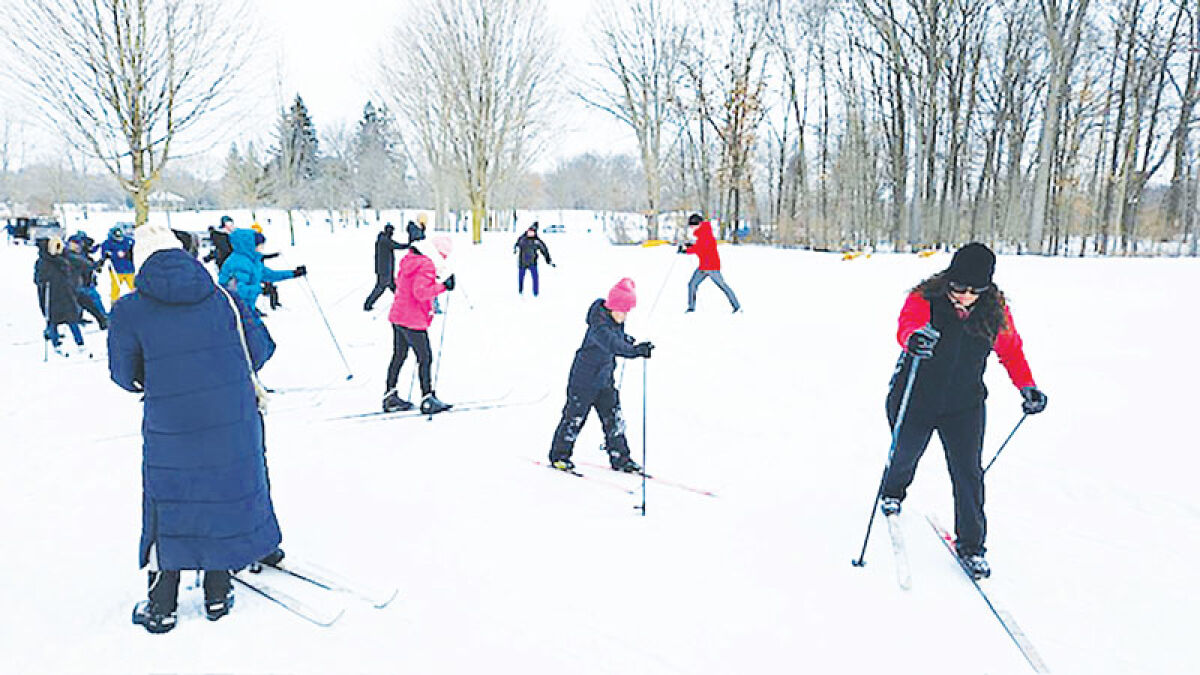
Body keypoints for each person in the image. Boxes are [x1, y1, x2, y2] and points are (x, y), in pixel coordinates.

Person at [108, 224, 283, 634]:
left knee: (170, 499)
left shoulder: (129, 309)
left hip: (172, 423)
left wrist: (160, 379)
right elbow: (261, 350)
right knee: (221, 491)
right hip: (232, 418)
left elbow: (124, 374)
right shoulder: (224, 298)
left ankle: (162, 605)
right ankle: (217, 593)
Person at [880, 243, 1048, 580]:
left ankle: (972, 546)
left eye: (975, 290)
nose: (966, 296)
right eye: (959, 288)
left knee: (968, 473)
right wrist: (914, 339)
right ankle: (892, 492)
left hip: (964, 405)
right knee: (905, 454)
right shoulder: (925, 298)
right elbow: (906, 326)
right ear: (948, 279)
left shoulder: (994, 310)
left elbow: (1011, 351)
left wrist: (1027, 386)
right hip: (916, 396)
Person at [548, 278, 653, 473]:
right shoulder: (598, 327)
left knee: (614, 419)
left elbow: (617, 339)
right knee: (574, 419)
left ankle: (620, 457)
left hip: (604, 380)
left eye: (627, 312)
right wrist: (635, 351)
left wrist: (628, 341)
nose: (625, 315)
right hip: (584, 381)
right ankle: (559, 456)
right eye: (622, 311)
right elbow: (612, 343)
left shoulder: (613, 321)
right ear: (612, 307)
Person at [382, 236, 454, 414]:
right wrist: (443, 286)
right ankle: (427, 398)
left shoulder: (410, 259)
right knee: (425, 358)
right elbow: (420, 293)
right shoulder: (426, 264)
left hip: (399, 315)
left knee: (399, 355)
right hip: (413, 319)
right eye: (443, 256)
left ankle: (390, 395)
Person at [218, 229, 306, 318]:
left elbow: (270, 275)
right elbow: (237, 290)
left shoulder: (253, 261)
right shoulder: (238, 263)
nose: (262, 248)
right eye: (260, 245)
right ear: (250, 245)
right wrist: (261, 290)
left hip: (246, 308)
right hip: (234, 311)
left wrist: (293, 273)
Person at [34, 236, 88, 357]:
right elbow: (38, 278)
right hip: (52, 295)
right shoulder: (44, 261)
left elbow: (78, 265)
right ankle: (56, 343)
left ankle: (80, 343)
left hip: (66, 293)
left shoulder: (65, 258)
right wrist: (43, 280)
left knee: (72, 319)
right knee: (53, 320)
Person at [678, 213, 741, 313]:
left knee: (723, 286)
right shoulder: (702, 232)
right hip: (703, 266)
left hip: (712, 267)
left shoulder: (705, 234)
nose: (691, 228)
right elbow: (699, 246)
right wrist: (689, 245)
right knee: (692, 284)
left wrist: (686, 250)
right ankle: (691, 308)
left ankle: (737, 307)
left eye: (692, 225)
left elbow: (699, 249)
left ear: (698, 224)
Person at [65, 234, 108, 329]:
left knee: (87, 301)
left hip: (82, 282)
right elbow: (90, 265)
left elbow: (91, 259)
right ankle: (102, 318)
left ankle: (101, 318)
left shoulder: (79, 254)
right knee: (90, 301)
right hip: (79, 284)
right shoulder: (72, 256)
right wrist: (101, 261)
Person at [364, 223, 408, 311]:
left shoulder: (383, 239)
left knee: (393, 287)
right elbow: (396, 245)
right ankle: (368, 304)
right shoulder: (385, 241)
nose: (392, 233)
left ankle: (405, 301)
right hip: (384, 270)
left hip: (385, 269)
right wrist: (409, 245)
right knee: (380, 288)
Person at [513, 222, 553, 297]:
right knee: (521, 278)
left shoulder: (537, 241)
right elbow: (516, 244)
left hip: (532, 263)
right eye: (529, 232)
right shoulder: (522, 238)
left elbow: (544, 250)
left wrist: (548, 260)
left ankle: (535, 293)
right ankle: (520, 291)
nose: (530, 233)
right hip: (522, 262)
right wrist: (515, 249)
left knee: (535, 278)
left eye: (532, 232)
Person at [100, 225, 136, 304]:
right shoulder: (107, 243)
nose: (119, 239)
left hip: (129, 269)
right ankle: (114, 303)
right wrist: (114, 255)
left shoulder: (128, 241)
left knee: (134, 287)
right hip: (116, 270)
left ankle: (139, 302)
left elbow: (134, 246)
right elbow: (104, 255)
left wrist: (129, 252)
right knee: (115, 288)